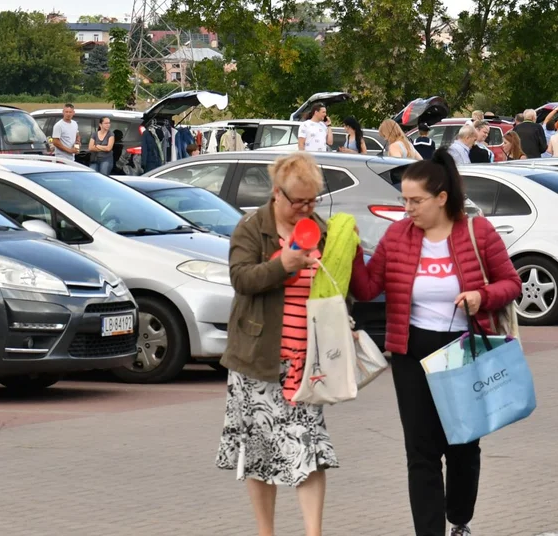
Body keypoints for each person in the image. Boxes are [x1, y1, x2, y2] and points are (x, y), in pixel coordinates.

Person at [349, 149, 522, 536]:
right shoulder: (397, 236)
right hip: (412, 352)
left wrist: (482, 296)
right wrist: (352, 252)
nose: (407, 208)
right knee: (421, 453)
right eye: (403, 200)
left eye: (415, 201)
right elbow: (367, 289)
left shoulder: (478, 232)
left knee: (462, 447)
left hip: (464, 352)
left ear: (441, 198)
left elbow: (512, 282)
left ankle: (459, 518)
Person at [218, 152, 362, 536]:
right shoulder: (252, 227)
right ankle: (267, 532)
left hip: (306, 364)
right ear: (277, 194)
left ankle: (313, 533)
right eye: (298, 201)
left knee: (309, 450)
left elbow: (339, 288)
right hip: (258, 360)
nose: (305, 209)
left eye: (313, 201)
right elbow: (241, 279)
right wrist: (283, 265)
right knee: (260, 453)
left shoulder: (323, 230)